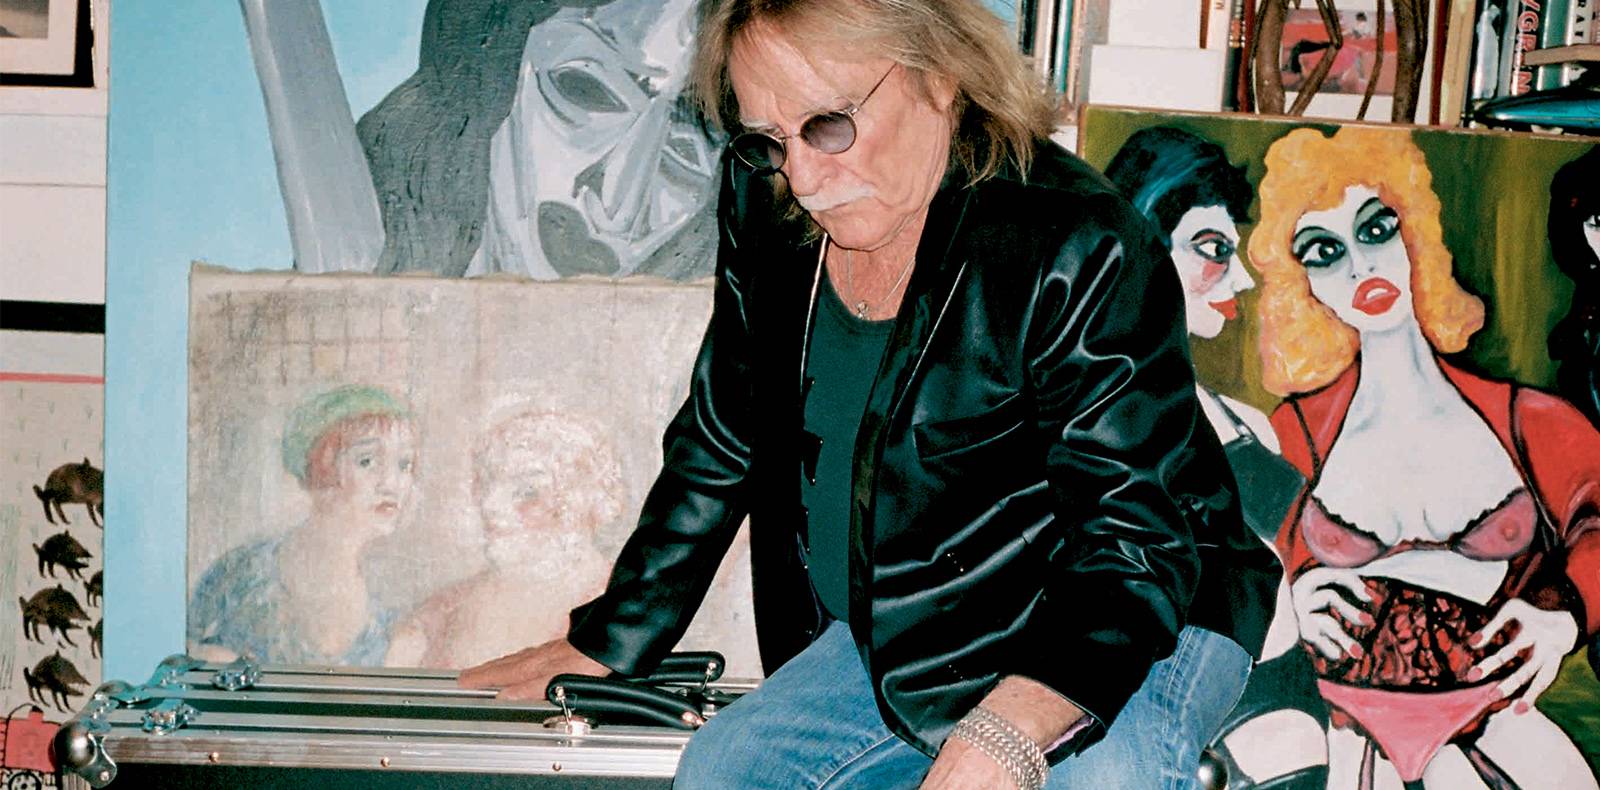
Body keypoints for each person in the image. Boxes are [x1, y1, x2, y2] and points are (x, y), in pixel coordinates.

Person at [462, 1, 1278, 788]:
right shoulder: (764, 196)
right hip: (927, 614)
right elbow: (727, 428)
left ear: (940, 77)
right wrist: (616, 635)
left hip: (1129, 606)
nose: (804, 176)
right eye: (768, 139)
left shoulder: (1075, 241)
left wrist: (1009, 728)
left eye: (829, 125)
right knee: (728, 771)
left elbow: (1132, 538)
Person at [1248, 126, 1600, 789]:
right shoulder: (1292, 433)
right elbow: (1229, 564)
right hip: (1338, 731)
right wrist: (1286, 605)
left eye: (1376, 230)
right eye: (1325, 251)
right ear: (1303, 284)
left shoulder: (1529, 420)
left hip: (1499, 721)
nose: (1360, 268)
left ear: (1414, 234)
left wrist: (1562, 615)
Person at [188, 385, 418, 665]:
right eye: (367, 461)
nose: (391, 483)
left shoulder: (393, 598)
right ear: (318, 468)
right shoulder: (240, 576)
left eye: (404, 464)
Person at [385, 410, 622, 668]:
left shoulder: (626, 607)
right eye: (488, 483)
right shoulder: (437, 618)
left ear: (579, 502)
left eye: (527, 492)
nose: (491, 505)